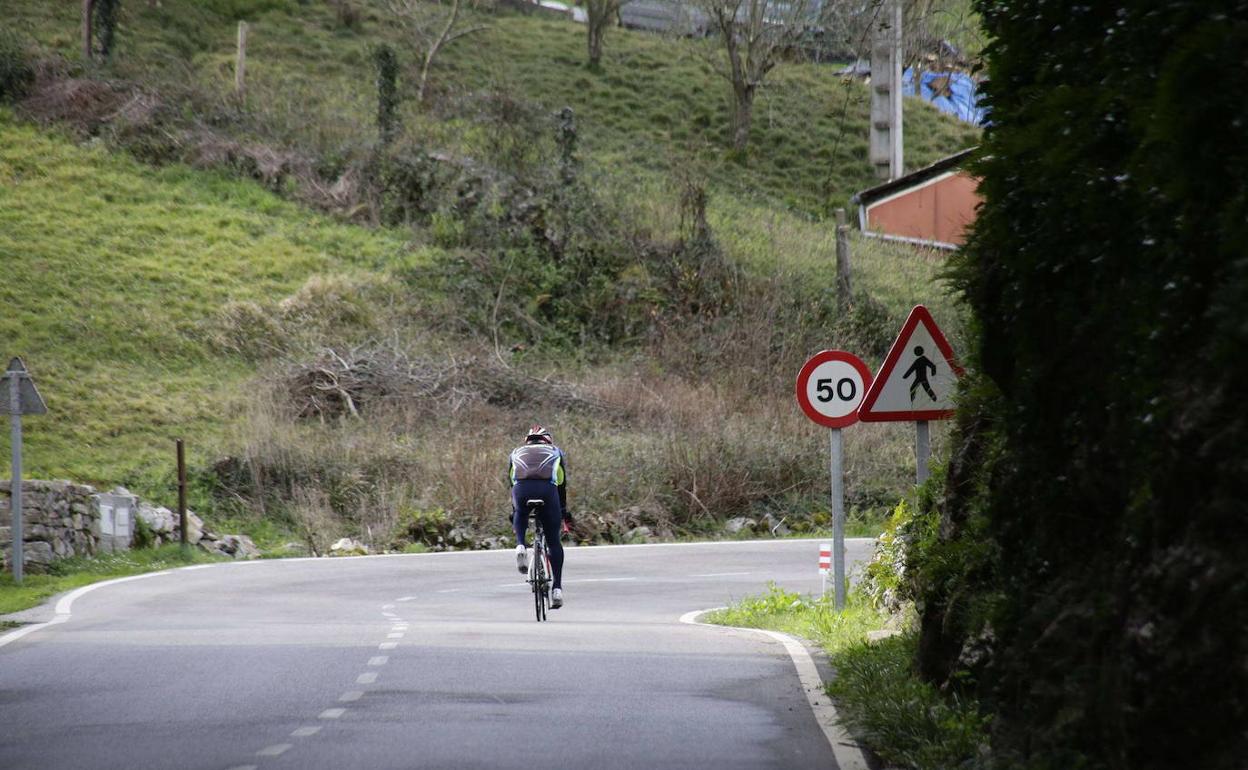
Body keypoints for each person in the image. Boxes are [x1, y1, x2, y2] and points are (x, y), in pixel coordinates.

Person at [508, 425, 568, 608]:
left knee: (520, 512)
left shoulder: (515, 453)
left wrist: (515, 512)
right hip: (547, 491)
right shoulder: (556, 452)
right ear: (547, 441)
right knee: (553, 541)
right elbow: (561, 484)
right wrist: (563, 511)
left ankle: (520, 545)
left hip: (521, 491)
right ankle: (557, 589)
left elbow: (512, 482)